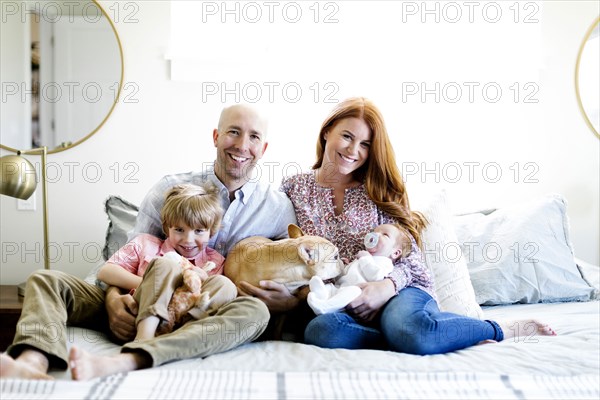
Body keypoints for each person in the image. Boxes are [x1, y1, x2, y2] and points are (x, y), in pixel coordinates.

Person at [0, 104, 296, 380]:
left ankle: (132, 359)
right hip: (136, 295)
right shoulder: (171, 189)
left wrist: (292, 301)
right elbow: (123, 257)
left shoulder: (278, 208)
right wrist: (113, 300)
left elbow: (301, 270)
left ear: (264, 147)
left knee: (255, 313)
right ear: (216, 136)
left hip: (198, 315)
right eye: (234, 131)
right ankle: (32, 360)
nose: (243, 145)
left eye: (254, 137)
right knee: (46, 280)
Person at [246, 97, 556, 354]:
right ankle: (412, 338)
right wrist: (294, 300)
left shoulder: (379, 189)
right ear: (327, 132)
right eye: (347, 136)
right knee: (321, 332)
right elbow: (290, 255)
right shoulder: (293, 189)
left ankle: (502, 329)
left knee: (411, 330)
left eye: (365, 144)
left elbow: (412, 258)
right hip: (342, 300)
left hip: (399, 290)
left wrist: (386, 286)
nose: (354, 150)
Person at [68, 183, 240, 380]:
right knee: (165, 265)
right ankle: (144, 340)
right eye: (179, 230)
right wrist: (149, 281)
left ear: (212, 231)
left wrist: (200, 278)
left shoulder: (214, 261)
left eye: (199, 231)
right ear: (167, 227)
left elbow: (219, 296)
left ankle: (180, 340)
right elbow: (106, 272)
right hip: (141, 316)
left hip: (182, 324)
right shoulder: (146, 244)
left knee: (225, 284)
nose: (188, 239)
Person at [308, 223, 411, 315]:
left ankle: (325, 307)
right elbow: (345, 277)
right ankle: (320, 295)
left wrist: (365, 259)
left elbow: (377, 277)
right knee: (331, 288)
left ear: (395, 253)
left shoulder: (385, 263)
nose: (376, 235)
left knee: (352, 291)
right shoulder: (362, 258)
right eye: (374, 232)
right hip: (340, 288)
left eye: (385, 235)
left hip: (357, 296)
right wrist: (344, 267)